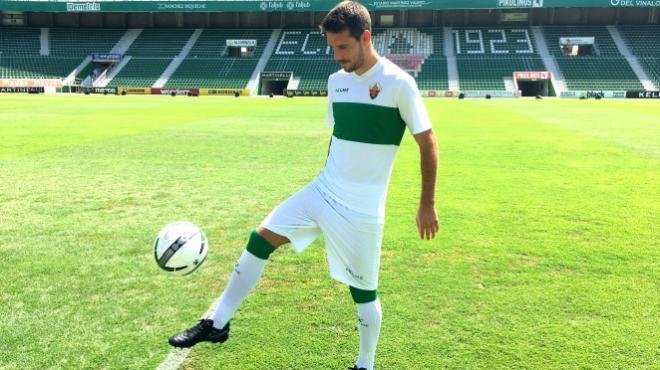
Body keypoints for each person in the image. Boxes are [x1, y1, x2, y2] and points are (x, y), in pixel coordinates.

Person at [168, 2, 439, 369]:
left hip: (361, 210)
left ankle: (365, 364)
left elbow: (428, 143)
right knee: (260, 238)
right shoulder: (335, 83)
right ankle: (217, 322)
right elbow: (338, 136)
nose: (337, 56)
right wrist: (327, 177)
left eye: (343, 47)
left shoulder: (398, 84)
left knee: (363, 292)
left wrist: (426, 205)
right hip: (323, 191)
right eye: (332, 48)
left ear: (365, 38)